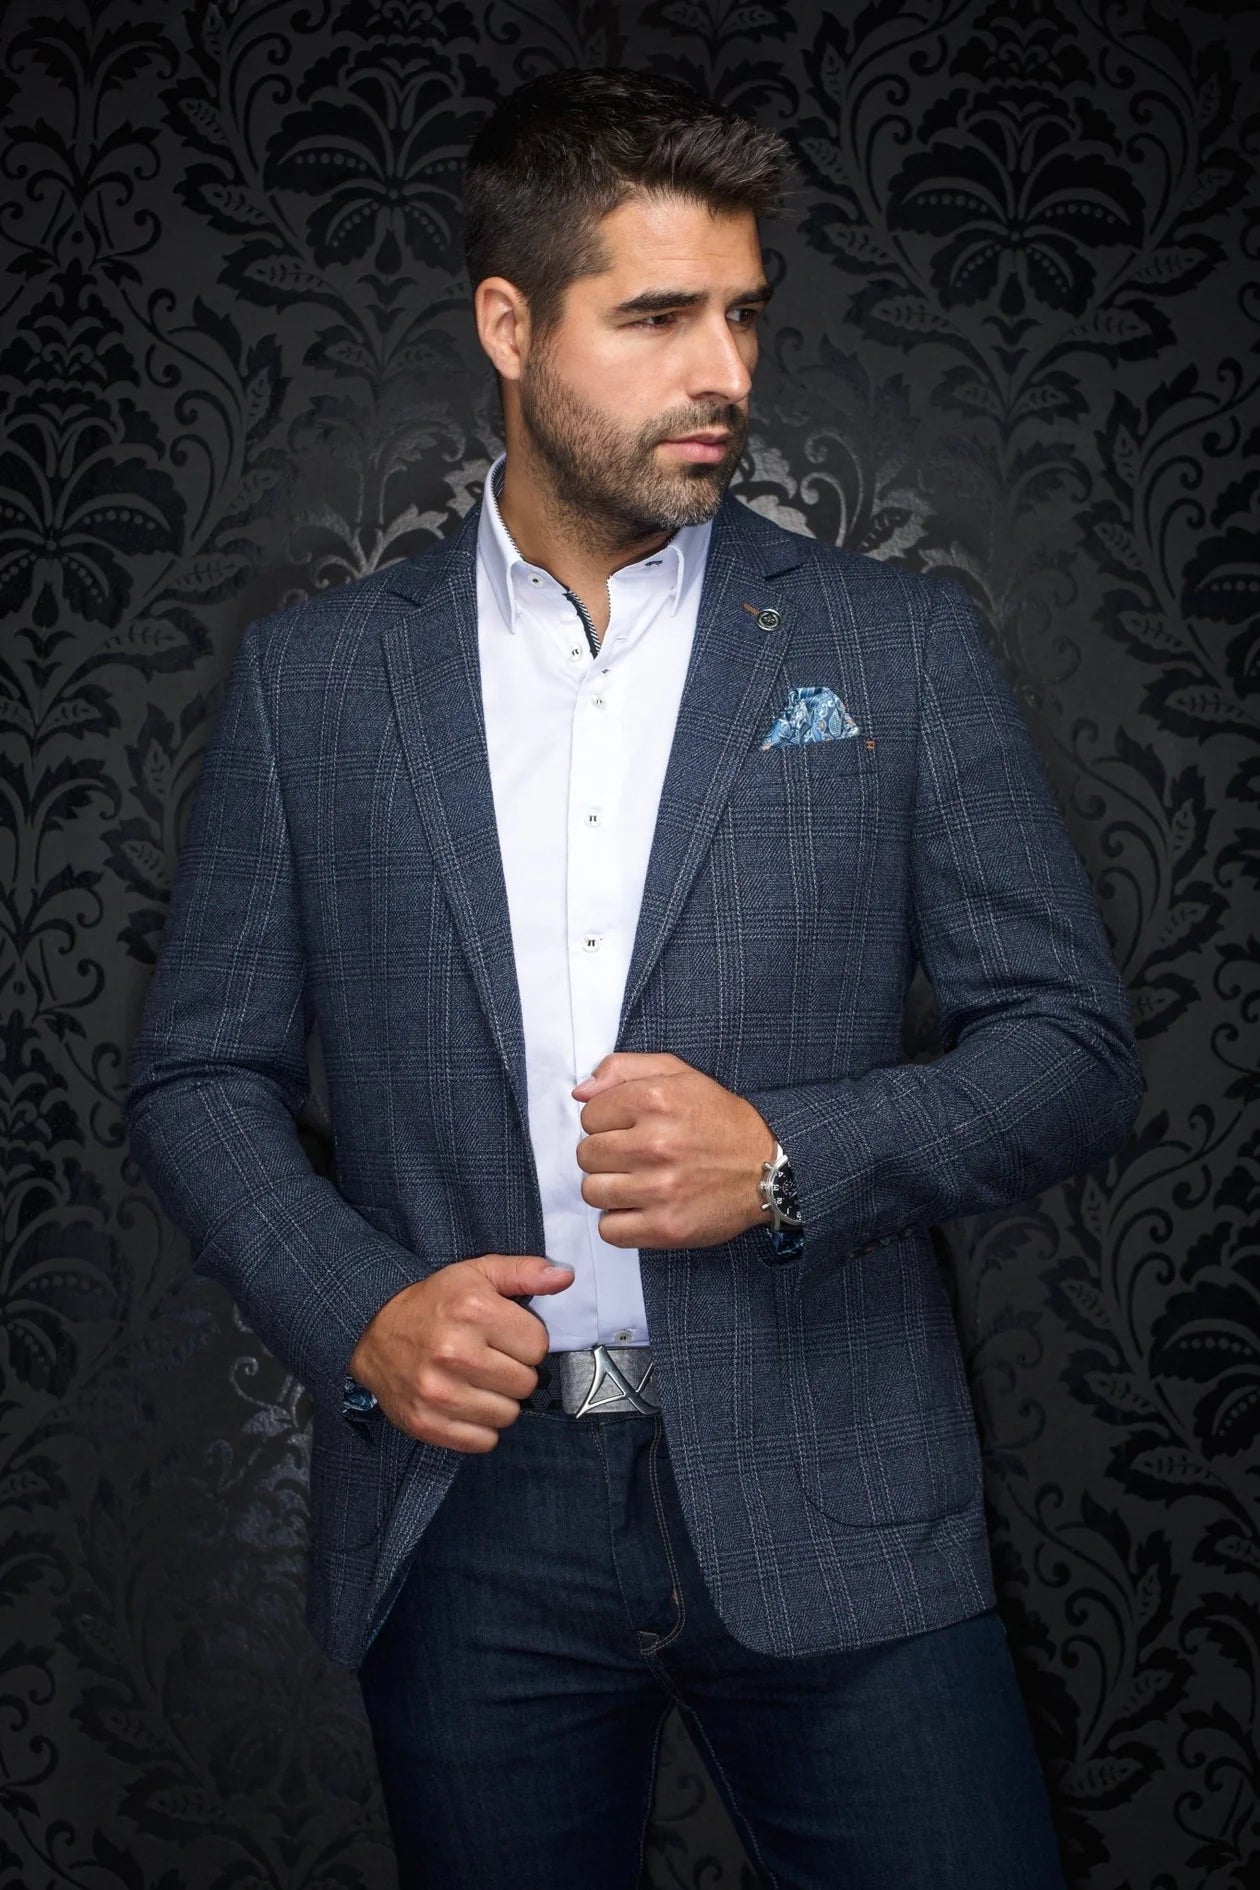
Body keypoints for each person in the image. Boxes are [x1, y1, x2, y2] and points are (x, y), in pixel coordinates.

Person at [124, 65, 1143, 1890]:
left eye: (744, 313)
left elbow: (1073, 1050)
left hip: (838, 1488)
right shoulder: (319, 683)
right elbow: (196, 1074)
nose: (728, 370)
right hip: (473, 1514)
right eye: (660, 315)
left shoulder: (891, 646)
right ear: (508, 324)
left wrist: (784, 1161)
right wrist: (357, 1310)